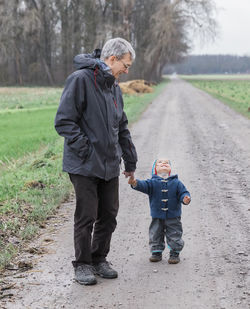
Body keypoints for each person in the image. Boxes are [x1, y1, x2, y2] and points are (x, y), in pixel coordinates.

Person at [54, 38, 137, 285]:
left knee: (109, 214)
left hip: (110, 163)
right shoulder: (79, 80)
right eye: (126, 64)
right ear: (112, 59)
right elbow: (64, 121)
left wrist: (130, 160)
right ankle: (82, 264)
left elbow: (121, 126)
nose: (127, 70)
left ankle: (99, 258)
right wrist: (86, 149)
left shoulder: (114, 87)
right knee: (87, 215)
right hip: (84, 164)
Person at [128, 158, 191, 264]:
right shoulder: (152, 183)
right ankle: (156, 252)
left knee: (175, 233)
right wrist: (135, 183)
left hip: (173, 215)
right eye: (160, 163)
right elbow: (143, 185)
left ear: (170, 169)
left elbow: (183, 192)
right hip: (157, 215)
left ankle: (175, 252)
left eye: (167, 163)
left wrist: (185, 198)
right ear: (155, 169)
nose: (164, 164)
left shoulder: (176, 182)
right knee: (155, 233)